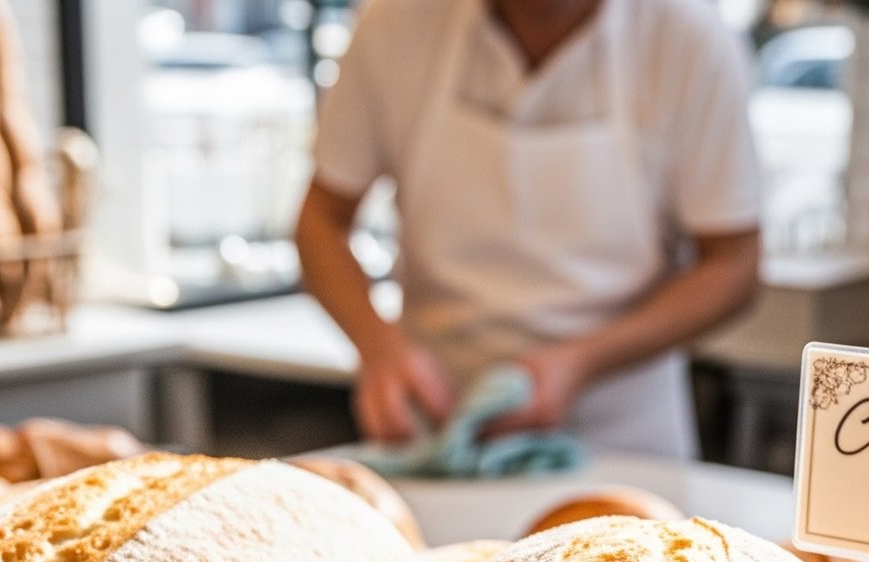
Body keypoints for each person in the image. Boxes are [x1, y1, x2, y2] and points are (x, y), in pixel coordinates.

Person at [296, 0, 762, 458]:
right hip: (434, 425)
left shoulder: (690, 37)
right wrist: (380, 349)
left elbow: (733, 265)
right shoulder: (395, 20)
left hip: (624, 435)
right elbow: (321, 219)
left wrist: (580, 362)